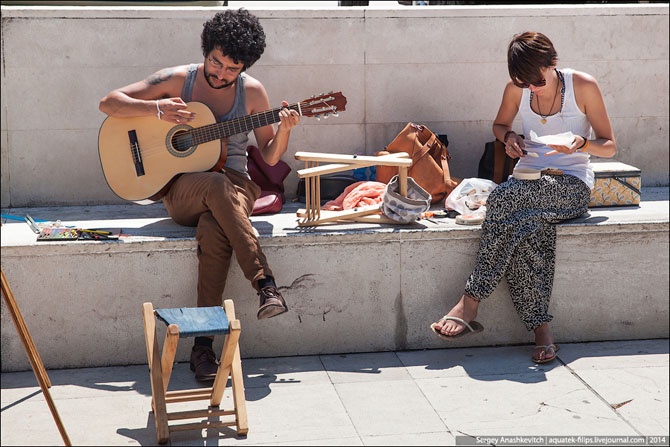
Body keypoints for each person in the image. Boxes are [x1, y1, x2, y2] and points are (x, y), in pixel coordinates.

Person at [99, 9, 300, 380]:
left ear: (244, 68)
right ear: (206, 51)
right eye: (215, 61)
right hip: (183, 190)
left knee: (214, 227)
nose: (220, 73)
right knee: (214, 185)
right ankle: (266, 284)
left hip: (237, 188)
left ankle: (202, 348)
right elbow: (109, 103)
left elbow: (269, 155)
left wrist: (284, 130)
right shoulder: (180, 80)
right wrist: (156, 109)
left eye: (230, 68)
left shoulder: (252, 92)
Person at [430, 31, 616, 363]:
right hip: (526, 183)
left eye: (537, 81)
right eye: (524, 83)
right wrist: (510, 136)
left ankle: (471, 300)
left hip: (570, 185)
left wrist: (582, 143)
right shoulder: (517, 87)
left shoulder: (583, 86)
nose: (532, 88)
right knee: (527, 226)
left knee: (503, 200)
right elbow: (499, 125)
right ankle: (542, 330)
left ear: (552, 63)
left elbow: (609, 144)